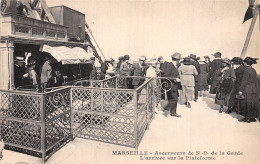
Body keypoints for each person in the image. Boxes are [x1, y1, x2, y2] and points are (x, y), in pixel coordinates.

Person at [238, 57, 259, 123]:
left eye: (244, 62)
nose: (243, 63)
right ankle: (252, 117)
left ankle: (247, 118)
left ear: (247, 63)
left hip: (247, 89)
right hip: (254, 89)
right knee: (252, 103)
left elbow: (244, 81)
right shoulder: (253, 70)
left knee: (246, 103)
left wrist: (240, 90)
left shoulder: (246, 70)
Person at [163, 52, 182, 117]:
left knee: (173, 99)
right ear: (177, 60)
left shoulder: (174, 65)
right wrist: (175, 79)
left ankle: (173, 112)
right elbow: (166, 75)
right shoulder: (170, 65)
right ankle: (166, 108)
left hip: (174, 85)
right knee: (174, 99)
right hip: (171, 85)